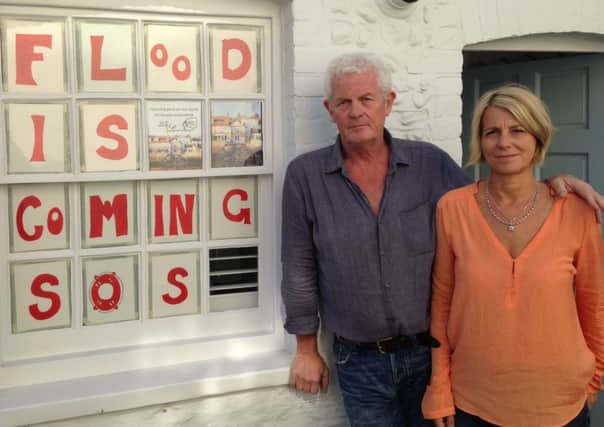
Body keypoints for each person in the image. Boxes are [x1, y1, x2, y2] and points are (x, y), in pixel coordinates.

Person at [281, 53, 604, 427]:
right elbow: (298, 262)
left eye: (366, 99)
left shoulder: (430, 165)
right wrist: (305, 347)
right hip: (360, 361)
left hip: (427, 355)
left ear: (388, 103)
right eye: (344, 102)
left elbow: (500, 197)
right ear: (329, 109)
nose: (356, 111)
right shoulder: (306, 176)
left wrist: (554, 184)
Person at [422, 84, 604, 427]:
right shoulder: (453, 209)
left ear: (537, 137)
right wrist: (439, 388)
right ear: (480, 141)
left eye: (517, 130)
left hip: (561, 405)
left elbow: (594, 303)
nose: (504, 142)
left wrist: (595, 379)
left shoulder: (577, 211)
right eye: (492, 132)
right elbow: (442, 304)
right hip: (474, 401)